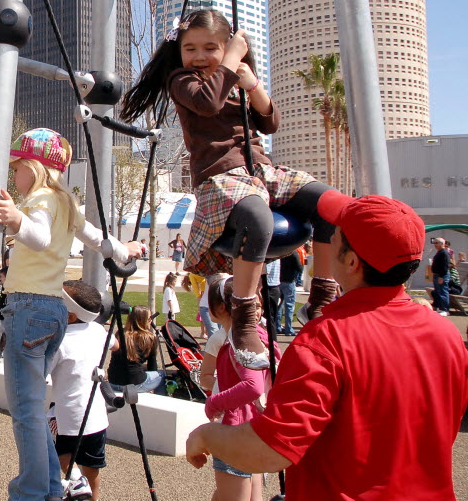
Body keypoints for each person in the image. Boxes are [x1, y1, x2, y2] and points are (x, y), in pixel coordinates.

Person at [186, 192, 468, 499]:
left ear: (351, 261)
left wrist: (206, 435)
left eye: (335, 235)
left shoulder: (325, 340)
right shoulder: (447, 335)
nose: (327, 239)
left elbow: (270, 450)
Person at [120, 9, 338, 370]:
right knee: (258, 219)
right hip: (219, 178)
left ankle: (322, 296)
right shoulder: (182, 81)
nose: (200, 57)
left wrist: (252, 84)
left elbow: (270, 122)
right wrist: (233, 57)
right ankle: (245, 317)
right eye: (190, 49)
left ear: (225, 47)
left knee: (332, 204)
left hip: (262, 169)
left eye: (211, 48)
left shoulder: (233, 79)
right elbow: (207, 103)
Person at [0, 128, 140, 501]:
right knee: (33, 406)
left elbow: (39, 238)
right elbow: (97, 238)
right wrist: (124, 250)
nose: (13, 176)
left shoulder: (42, 199)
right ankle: (50, 485)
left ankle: (33, 490)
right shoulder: (67, 203)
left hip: (28, 307)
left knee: (27, 412)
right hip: (52, 312)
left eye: (17, 168)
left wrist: (16, 219)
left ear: (34, 169)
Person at [199, 274, 277, 501]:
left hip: (235, 429)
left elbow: (251, 386)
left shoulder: (237, 339)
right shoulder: (258, 335)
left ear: (220, 308)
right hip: (256, 426)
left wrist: (214, 402)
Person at [48, 281, 115, 500]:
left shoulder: (60, 342)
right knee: (93, 465)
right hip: (96, 415)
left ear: (70, 317)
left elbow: (39, 375)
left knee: (63, 457)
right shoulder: (97, 330)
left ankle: (76, 482)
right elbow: (114, 344)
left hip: (69, 415)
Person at [108, 304, 164, 398]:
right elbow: (152, 367)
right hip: (135, 385)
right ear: (144, 320)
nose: (151, 321)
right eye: (149, 318)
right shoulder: (149, 338)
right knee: (162, 375)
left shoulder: (120, 333)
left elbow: (125, 361)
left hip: (113, 382)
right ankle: (160, 403)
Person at [277, 250, 301, 335]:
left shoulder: (279, 252)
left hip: (279, 280)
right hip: (289, 281)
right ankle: (288, 328)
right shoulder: (293, 253)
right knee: (289, 305)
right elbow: (299, 267)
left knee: (279, 305)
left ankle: (278, 327)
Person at [430, 237, 451, 316]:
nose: (435, 245)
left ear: (442, 244)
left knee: (443, 292)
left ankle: (445, 309)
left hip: (441, 275)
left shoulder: (444, 253)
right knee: (438, 292)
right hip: (437, 274)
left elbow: (445, 265)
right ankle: (440, 307)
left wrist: (442, 276)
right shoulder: (439, 252)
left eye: (437, 243)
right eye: (434, 243)